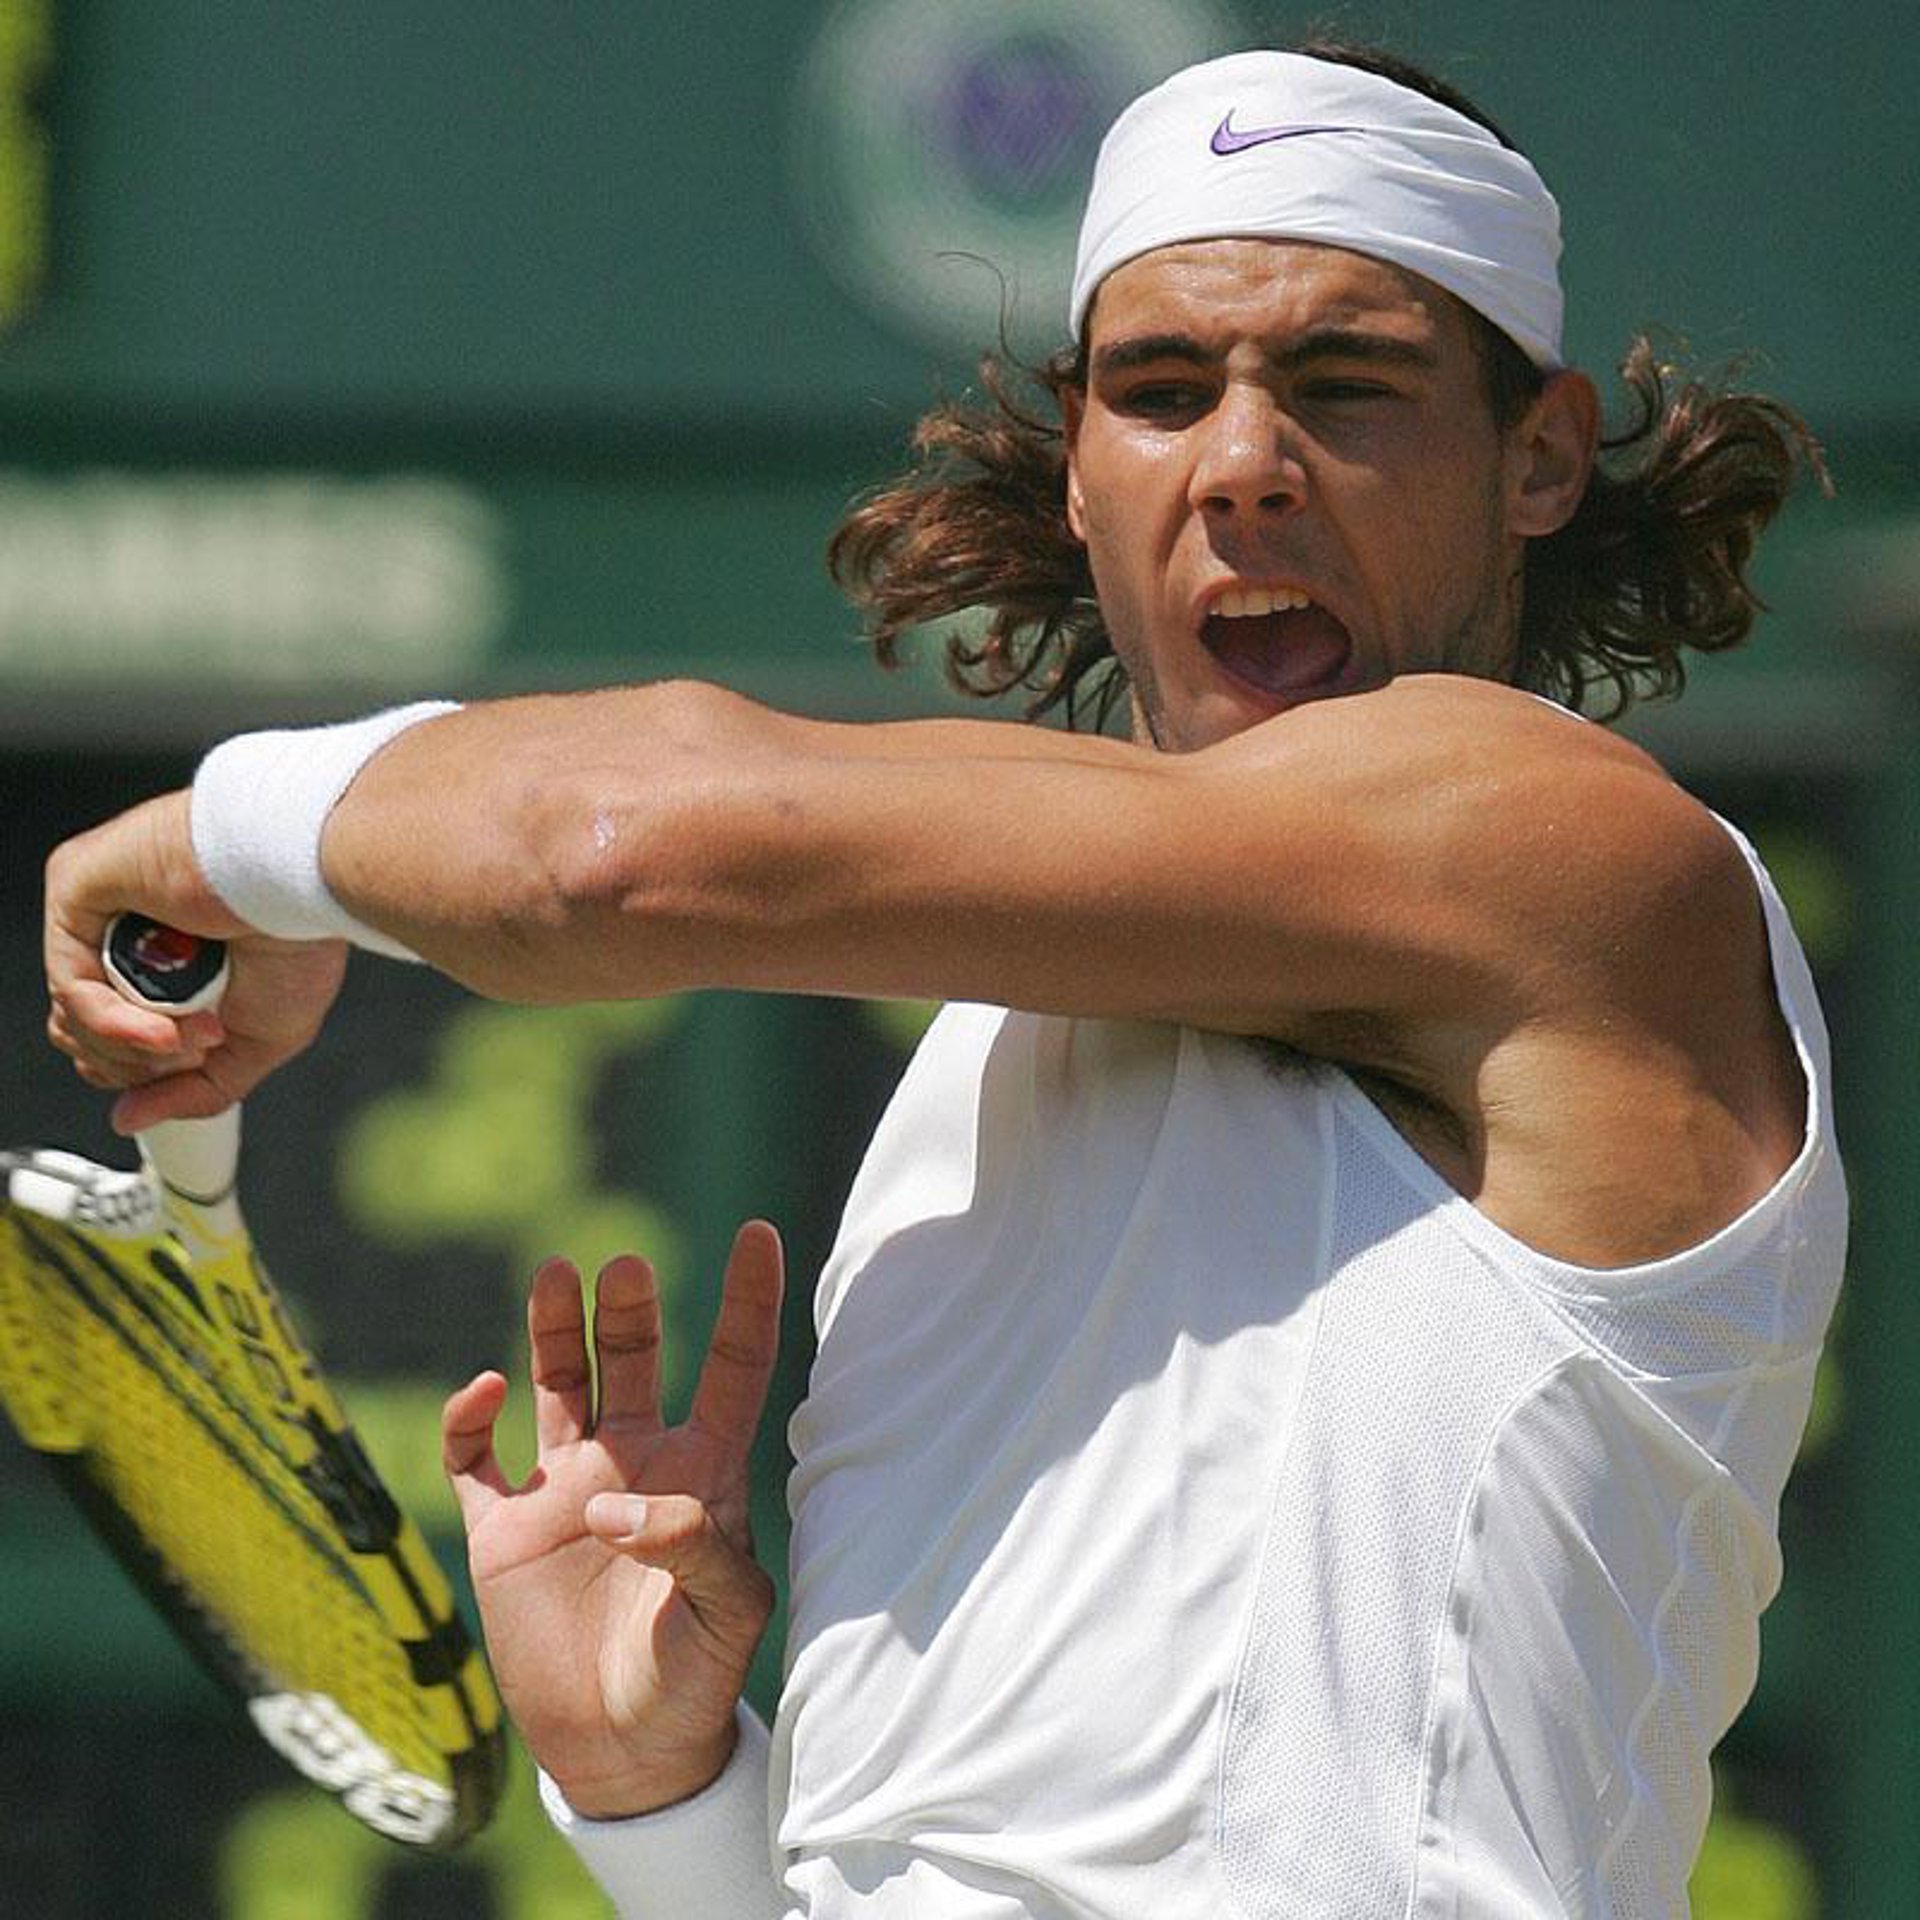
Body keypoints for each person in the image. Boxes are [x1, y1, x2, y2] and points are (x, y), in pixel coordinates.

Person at [42, 39, 1844, 1920]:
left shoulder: (1572, 857)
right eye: (1162, 393)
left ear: (1538, 454)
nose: (1243, 466)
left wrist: (231, 839)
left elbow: (601, 850)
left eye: (1345, 387)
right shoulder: (966, 1089)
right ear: (1080, 466)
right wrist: (661, 1793)